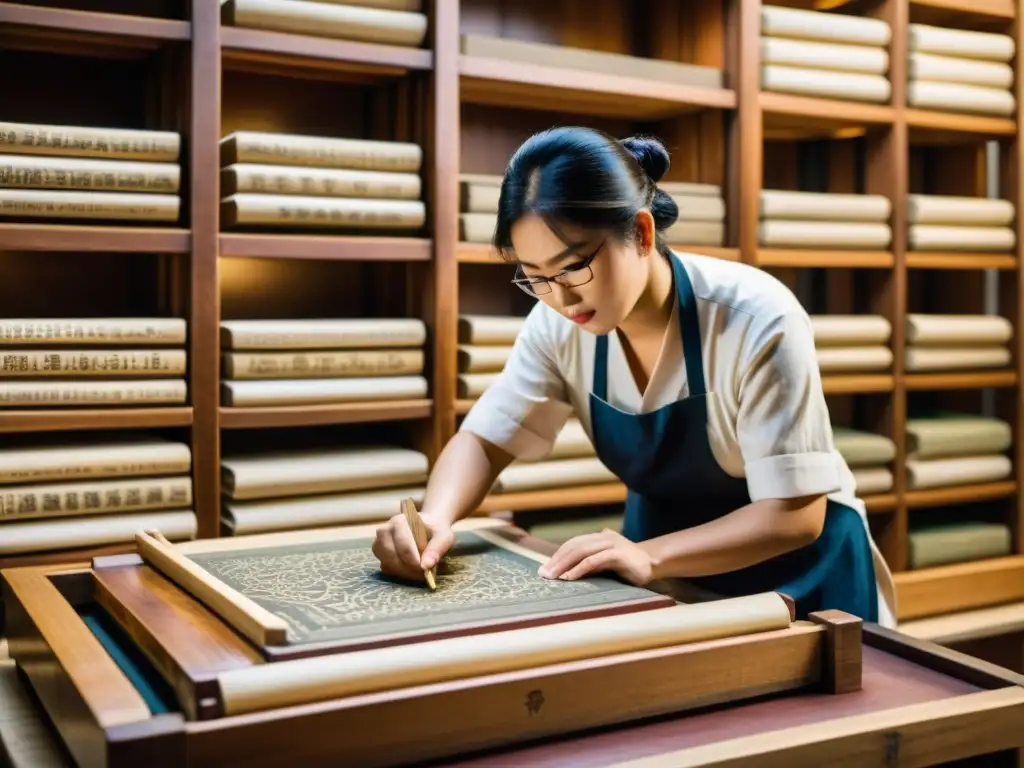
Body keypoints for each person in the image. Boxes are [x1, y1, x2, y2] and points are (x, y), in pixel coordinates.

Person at [371, 126, 896, 627]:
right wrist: (436, 520)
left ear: (641, 232)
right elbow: (486, 440)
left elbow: (794, 518)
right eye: (535, 278)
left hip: (802, 577)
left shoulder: (757, 317)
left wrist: (650, 557)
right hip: (666, 565)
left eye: (574, 267)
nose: (560, 296)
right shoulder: (557, 326)